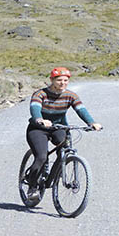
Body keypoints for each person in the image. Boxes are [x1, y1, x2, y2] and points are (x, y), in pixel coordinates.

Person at [25, 67, 102, 200]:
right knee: (42, 156)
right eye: (59, 80)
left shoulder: (70, 95)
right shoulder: (40, 94)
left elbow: (81, 109)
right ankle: (32, 187)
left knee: (65, 150)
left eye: (65, 80)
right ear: (51, 80)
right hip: (38, 129)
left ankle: (53, 176)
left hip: (58, 127)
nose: (62, 83)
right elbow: (35, 108)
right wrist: (40, 119)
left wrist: (92, 122)